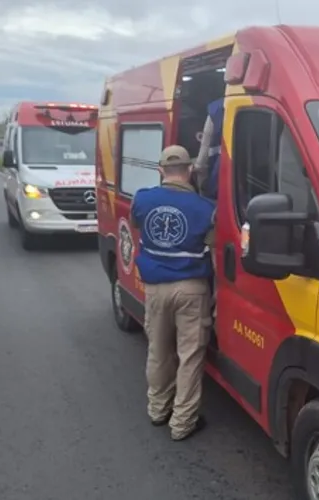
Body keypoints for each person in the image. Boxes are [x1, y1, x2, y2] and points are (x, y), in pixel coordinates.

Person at [130, 145, 215, 441]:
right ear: (190, 170)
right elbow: (212, 243)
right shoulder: (206, 208)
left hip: (155, 288)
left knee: (158, 351)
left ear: (160, 171)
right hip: (191, 289)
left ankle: (157, 410)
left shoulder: (142, 199)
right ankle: (182, 424)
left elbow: (139, 223)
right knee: (189, 356)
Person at [193, 97, 225, 201]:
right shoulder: (255, 100)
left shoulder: (217, 107)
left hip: (219, 169)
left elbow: (206, 141)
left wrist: (199, 165)